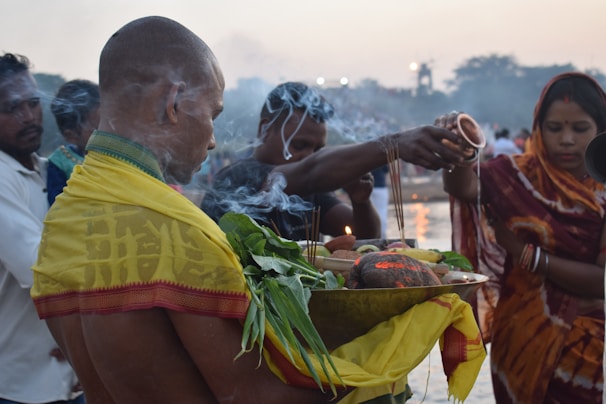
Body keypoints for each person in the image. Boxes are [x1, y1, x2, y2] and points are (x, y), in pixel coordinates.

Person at [31, 16, 485, 404]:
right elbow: (254, 396)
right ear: (173, 103)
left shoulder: (65, 219)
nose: (212, 139)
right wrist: (401, 335)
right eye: (212, 113)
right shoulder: (175, 228)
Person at [440, 72, 606, 403]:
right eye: (555, 128)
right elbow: (463, 188)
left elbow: (601, 281)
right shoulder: (513, 174)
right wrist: (461, 146)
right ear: (538, 128)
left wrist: (523, 252)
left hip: (582, 339)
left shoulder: (603, 189)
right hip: (519, 334)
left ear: (600, 129)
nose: (567, 140)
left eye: (580, 128)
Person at [202, 81, 468, 242]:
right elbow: (311, 170)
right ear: (265, 129)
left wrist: (361, 201)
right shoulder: (237, 178)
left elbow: (365, 239)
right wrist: (393, 144)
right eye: (300, 145)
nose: (309, 155)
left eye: (318, 148)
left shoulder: (312, 189)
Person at [0, 53, 83, 403]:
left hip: (70, 380)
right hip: (19, 387)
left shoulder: (52, 170)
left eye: (33, 103)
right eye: (11, 107)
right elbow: (43, 269)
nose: (28, 116)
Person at [47, 79, 100, 205]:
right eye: (96, 129)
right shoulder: (60, 162)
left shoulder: (117, 154)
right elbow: (57, 204)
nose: (107, 132)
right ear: (71, 136)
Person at [370, 164, 390, 239]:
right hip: (380, 187)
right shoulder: (380, 153)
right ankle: (382, 236)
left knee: (368, 212)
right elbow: (386, 170)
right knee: (382, 211)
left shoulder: (362, 154)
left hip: (365, 185)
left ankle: (370, 235)